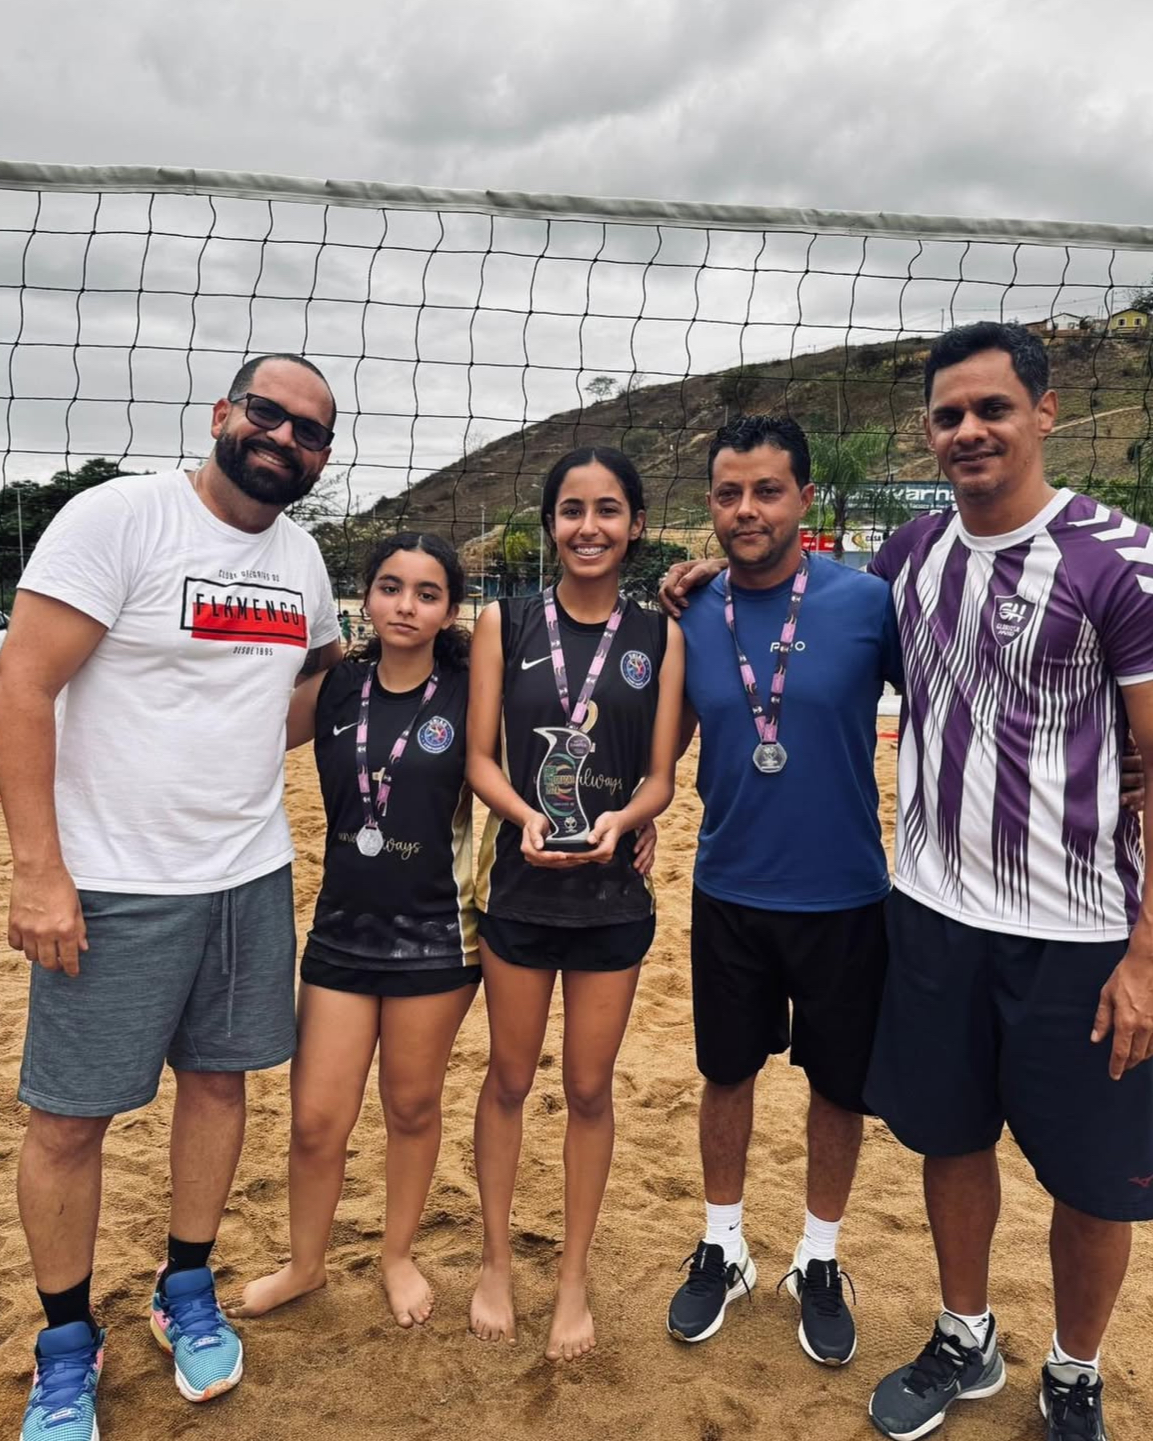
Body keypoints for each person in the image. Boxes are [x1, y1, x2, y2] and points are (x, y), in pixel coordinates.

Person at [1, 355, 343, 1441]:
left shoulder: (302, 558)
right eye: (269, 414)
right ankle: (65, 1345)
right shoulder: (119, 518)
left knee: (218, 1082)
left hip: (246, 872)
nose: (285, 438)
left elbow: (310, 690)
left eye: (311, 432)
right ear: (222, 415)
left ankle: (183, 1285)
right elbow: (23, 683)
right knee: (68, 1117)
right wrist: (39, 869)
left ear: (322, 458)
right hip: (110, 880)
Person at [862, 323, 1153, 1441]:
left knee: (1093, 1181)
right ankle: (964, 1333)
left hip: (1081, 933)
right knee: (949, 1137)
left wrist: (1143, 951)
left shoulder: (1115, 556)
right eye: (947, 415)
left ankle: (1074, 1371)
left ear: (1043, 412)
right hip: (934, 912)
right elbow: (813, 611)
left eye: (990, 408)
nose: (967, 430)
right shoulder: (913, 553)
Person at [655, 416, 901, 1366]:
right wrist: (626, 823)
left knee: (837, 1087)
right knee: (726, 1073)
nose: (746, 509)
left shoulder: (867, 605)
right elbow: (659, 753)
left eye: (765, 490)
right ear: (710, 504)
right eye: (727, 493)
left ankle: (819, 1257)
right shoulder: (689, 610)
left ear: (803, 497)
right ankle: (723, 1243)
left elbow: (950, 709)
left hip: (845, 894)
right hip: (727, 887)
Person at [228, 533, 479, 1327]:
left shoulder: (474, 690)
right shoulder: (337, 685)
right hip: (341, 931)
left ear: (449, 609)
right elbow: (238, 735)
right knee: (315, 1119)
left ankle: (396, 1254)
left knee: (410, 1107)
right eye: (391, 587)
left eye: (427, 592)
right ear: (364, 599)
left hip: (437, 936)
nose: (406, 605)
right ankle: (305, 1264)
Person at [466, 446, 684, 1361]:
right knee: (509, 1080)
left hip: (610, 893)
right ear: (549, 522)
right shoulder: (502, 621)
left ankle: (572, 1278)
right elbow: (481, 755)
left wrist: (625, 817)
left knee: (588, 1087)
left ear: (634, 523)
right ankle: (490, 1262)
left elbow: (664, 777)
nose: (587, 526)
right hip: (520, 885)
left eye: (606, 510)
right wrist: (521, 816)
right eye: (569, 509)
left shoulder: (662, 634)